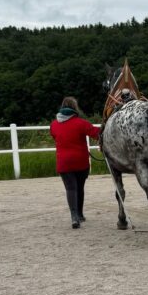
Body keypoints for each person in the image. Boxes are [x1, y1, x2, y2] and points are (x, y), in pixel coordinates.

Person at [50, 96, 100, 229]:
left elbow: (55, 136)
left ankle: (74, 217)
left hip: (64, 163)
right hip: (80, 161)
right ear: (74, 108)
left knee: (70, 188)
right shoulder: (81, 123)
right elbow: (97, 134)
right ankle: (80, 214)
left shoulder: (54, 125)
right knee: (80, 187)